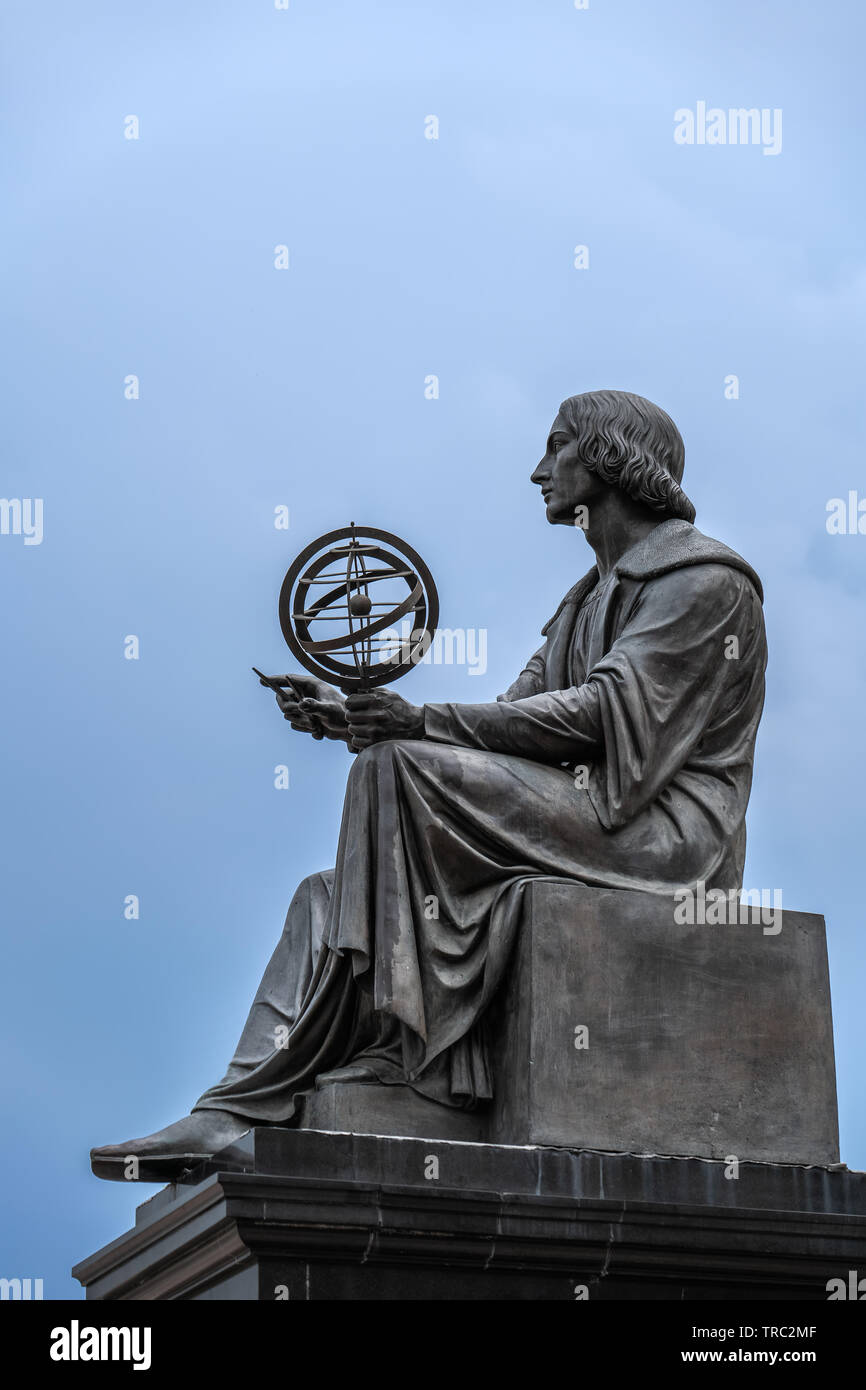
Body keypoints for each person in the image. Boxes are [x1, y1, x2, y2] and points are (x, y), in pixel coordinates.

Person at [91, 389, 767, 1178]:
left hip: (663, 838)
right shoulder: (586, 598)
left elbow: (598, 716)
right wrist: (356, 719)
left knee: (399, 767)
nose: (538, 471)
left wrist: (413, 727)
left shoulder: (703, 581)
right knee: (327, 896)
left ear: (610, 458)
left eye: (557, 449)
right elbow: (516, 715)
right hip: (591, 813)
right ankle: (234, 1108)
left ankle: (411, 1058)